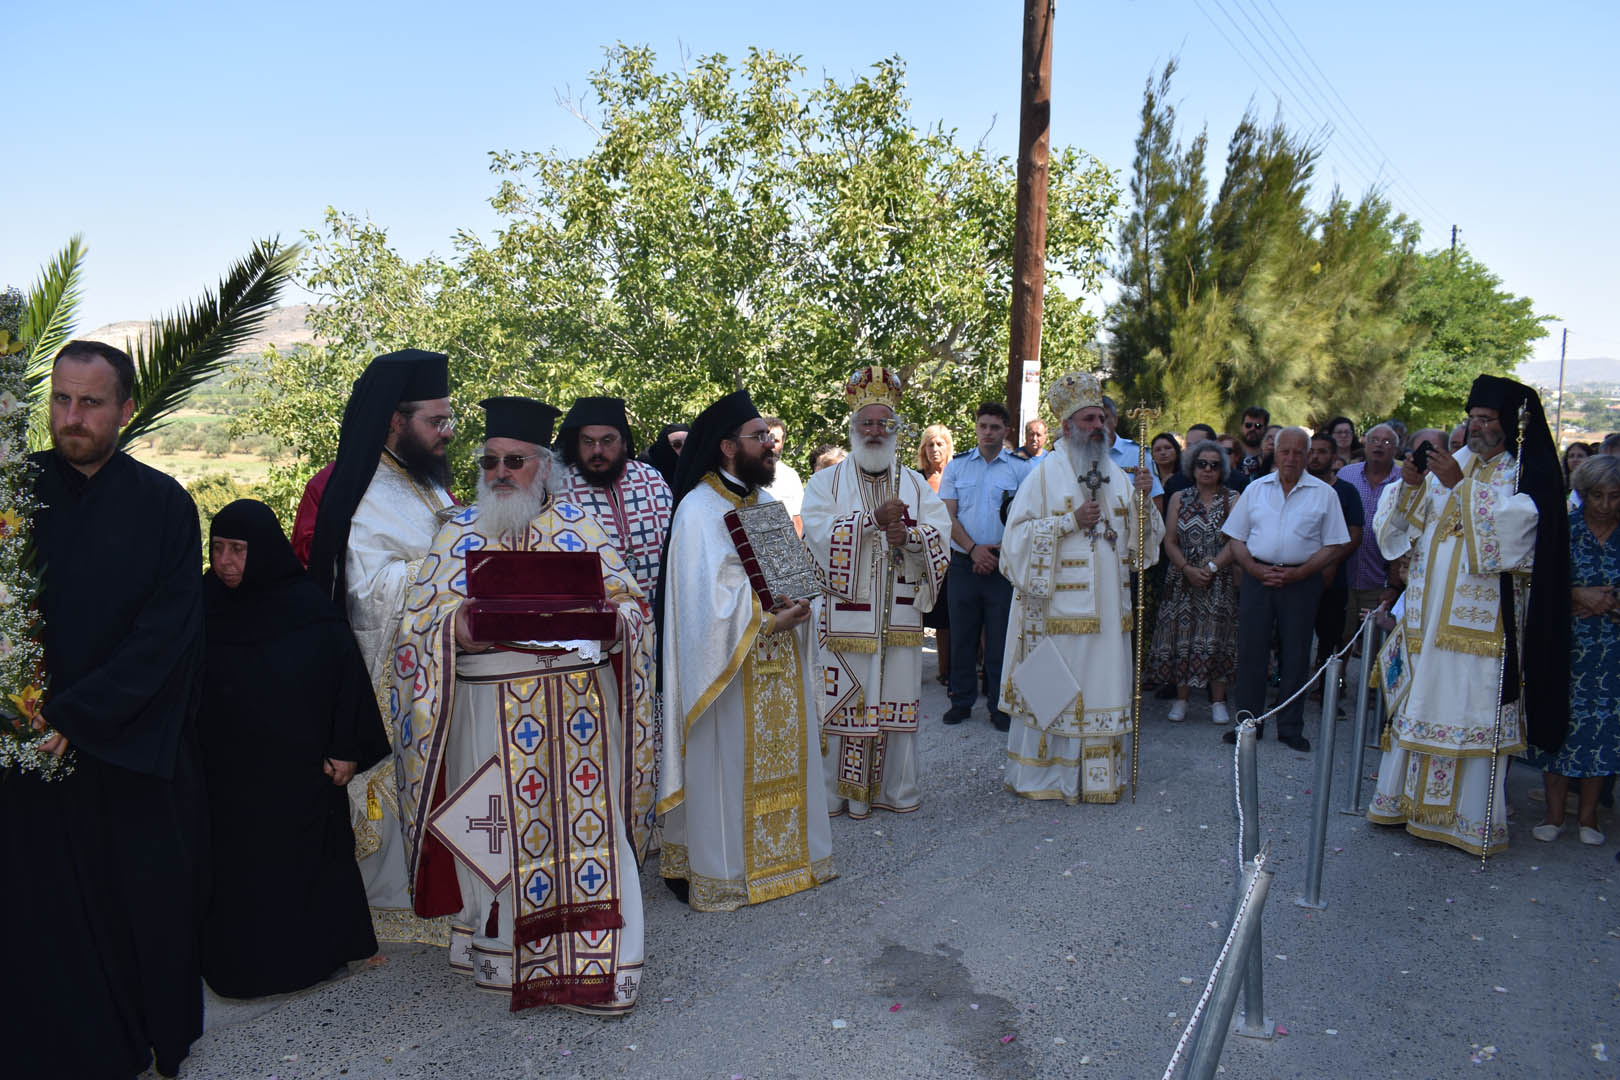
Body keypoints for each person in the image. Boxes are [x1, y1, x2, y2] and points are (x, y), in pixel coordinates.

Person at [391, 396, 655, 1011]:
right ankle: (504, 955)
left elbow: (634, 608)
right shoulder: (456, 533)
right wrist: (454, 628)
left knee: (587, 833)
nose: (500, 472)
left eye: (514, 460)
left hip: (579, 712)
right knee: (495, 830)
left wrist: (613, 624)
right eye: (489, 462)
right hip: (487, 711)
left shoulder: (580, 529)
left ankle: (600, 967)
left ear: (545, 467)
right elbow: (414, 631)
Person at [2, 340, 205, 1079]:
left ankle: (136, 1044)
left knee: (133, 911)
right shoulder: (12, 494)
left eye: (90, 403)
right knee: (35, 912)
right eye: (60, 399)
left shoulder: (164, 505)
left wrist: (78, 715)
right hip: (23, 746)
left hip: (124, 746)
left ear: (125, 409)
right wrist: (22, 711)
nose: (72, 417)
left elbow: (168, 634)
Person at [1367, 375, 1569, 856]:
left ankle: (1467, 823)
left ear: (1511, 425)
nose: (1475, 427)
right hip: (1427, 621)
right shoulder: (1457, 461)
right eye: (1472, 418)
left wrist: (1461, 489)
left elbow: (1519, 536)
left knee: (1467, 712)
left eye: (1486, 419)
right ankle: (1404, 806)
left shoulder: (1522, 474)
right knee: (1419, 706)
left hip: (1479, 632)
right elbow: (1403, 531)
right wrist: (1410, 487)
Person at [198, 500, 390, 999]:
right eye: (217, 548)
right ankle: (238, 970)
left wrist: (345, 748)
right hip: (225, 774)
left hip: (299, 773)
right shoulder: (200, 603)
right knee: (236, 878)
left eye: (238, 549)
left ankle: (311, 960)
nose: (224, 562)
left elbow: (345, 680)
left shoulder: (306, 607)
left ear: (262, 550)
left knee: (302, 870)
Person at [658, 390, 836, 909]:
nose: (770, 444)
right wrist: (764, 619)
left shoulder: (766, 504)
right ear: (728, 446)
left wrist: (801, 602)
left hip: (780, 660)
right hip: (727, 670)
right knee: (726, 767)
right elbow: (701, 603)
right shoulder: (697, 508)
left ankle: (790, 861)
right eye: (759, 437)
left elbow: (790, 572)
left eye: (768, 436)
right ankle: (725, 872)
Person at [306, 348, 456, 945]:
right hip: (386, 671)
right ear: (396, 421)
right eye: (436, 421)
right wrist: (447, 566)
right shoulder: (364, 490)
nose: (448, 432)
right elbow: (365, 592)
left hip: (438, 664)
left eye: (449, 419)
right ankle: (394, 907)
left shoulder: (425, 482)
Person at [1000, 371, 1161, 802]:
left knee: (1102, 689)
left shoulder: (1119, 474)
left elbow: (1142, 549)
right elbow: (1013, 544)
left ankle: (1097, 779)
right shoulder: (1043, 475)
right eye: (1089, 419)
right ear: (1067, 426)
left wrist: (1144, 501)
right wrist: (1068, 523)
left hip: (1108, 614)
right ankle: (1050, 777)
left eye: (1101, 419)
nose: (1098, 426)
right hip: (1057, 615)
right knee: (1057, 693)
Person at [801, 367, 952, 819]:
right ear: (853, 427)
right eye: (866, 422)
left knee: (896, 705)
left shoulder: (915, 484)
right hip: (845, 622)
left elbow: (940, 534)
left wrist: (910, 537)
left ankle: (893, 791)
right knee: (844, 704)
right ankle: (839, 795)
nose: (874, 431)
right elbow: (816, 535)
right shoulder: (826, 483)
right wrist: (870, 523)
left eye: (884, 423)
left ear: (895, 429)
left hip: (900, 621)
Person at [1220, 428, 1351, 752]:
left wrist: (1300, 573)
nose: (1291, 458)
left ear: (1307, 455)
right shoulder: (1255, 489)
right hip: (1258, 577)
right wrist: (1253, 569)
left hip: (1302, 581)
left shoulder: (1324, 494)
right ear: (1275, 454)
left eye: (1298, 452)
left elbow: (1334, 544)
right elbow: (1236, 537)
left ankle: (1290, 727)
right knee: (1251, 652)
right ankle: (1247, 722)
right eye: (1285, 451)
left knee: (1296, 654)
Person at [1525, 455, 1620, 845]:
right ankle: (1553, 814)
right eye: (1597, 495)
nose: (1605, 505)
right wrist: (1577, 595)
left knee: (1603, 729)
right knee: (1559, 724)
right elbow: (1540, 585)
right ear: (1583, 493)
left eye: (1615, 496)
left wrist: (1610, 603)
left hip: (1612, 652)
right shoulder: (1565, 531)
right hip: (1565, 647)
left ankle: (1589, 817)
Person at [940, 402, 1034, 728]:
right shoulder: (957, 467)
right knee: (962, 638)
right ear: (976, 427)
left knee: (1000, 641)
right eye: (983, 426)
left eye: (995, 427)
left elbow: (1027, 518)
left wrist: (994, 554)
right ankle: (961, 701)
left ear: (1006, 430)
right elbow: (947, 515)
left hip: (1003, 566)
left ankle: (999, 705)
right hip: (963, 564)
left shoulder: (1021, 470)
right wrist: (973, 550)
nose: (988, 432)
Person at [1148, 440, 1240, 724]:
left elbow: (1237, 539)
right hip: (1182, 580)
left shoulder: (1233, 498)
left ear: (1222, 469)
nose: (1208, 469)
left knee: (1217, 638)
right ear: (1192, 466)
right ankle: (1181, 699)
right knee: (1183, 638)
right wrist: (1187, 569)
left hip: (1219, 579)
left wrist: (1212, 567)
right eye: (1202, 464)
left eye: (1214, 465)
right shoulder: (1179, 498)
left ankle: (1218, 701)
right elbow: (1169, 540)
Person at [554, 396, 674, 605]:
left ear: (624, 442)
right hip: (595, 615)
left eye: (607, 440)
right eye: (588, 442)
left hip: (660, 607)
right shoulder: (559, 488)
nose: (597, 451)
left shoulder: (651, 478)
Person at [1337, 423, 1402, 644]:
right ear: (1365, 444)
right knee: (1340, 640)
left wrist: (1394, 586)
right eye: (1374, 440)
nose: (1379, 446)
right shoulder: (1346, 474)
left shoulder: (1404, 481)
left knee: (1374, 644)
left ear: (1395, 449)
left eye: (1387, 442)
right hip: (1344, 575)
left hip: (1379, 580)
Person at [1307, 431, 1365, 681]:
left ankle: (1327, 687)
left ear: (1333, 457)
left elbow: (1354, 534)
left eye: (1322, 452)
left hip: (1334, 577)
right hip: (1295, 574)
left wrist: (1329, 563)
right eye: (1311, 451)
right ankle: (1287, 687)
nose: (1315, 457)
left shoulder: (1347, 491)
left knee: (1330, 637)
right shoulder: (1295, 488)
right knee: (1292, 636)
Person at [918, 423, 956, 684]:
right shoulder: (915, 478)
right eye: (930, 444)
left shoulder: (955, 477)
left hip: (949, 553)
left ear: (948, 447)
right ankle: (911, 669)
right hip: (919, 552)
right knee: (916, 612)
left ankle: (946, 670)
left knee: (945, 617)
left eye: (939, 444)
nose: (934, 449)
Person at [761, 414, 805, 535]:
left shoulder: (790, 476)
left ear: (783, 443)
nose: (771, 445)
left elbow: (798, 521)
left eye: (775, 441)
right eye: (766, 439)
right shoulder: (744, 473)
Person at [638, 422, 688, 488]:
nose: (684, 449)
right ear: (665, 445)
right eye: (677, 444)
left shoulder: (694, 462)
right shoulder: (645, 464)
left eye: (688, 443)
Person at [1233, 406, 1270, 480]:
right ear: (1241, 427)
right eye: (1248, 425)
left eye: (1258, 426)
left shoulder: (1270, 459)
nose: (1252, 429)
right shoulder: (1231, 454)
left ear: (1265, 429)